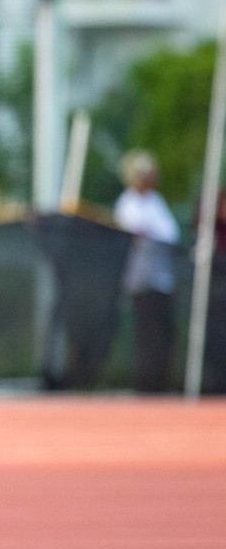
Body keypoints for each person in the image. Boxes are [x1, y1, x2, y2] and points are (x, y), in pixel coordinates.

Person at [115, 149, 178, 393]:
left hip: (162, 279)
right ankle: (146, 386)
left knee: (165, 333)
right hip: (140, 280)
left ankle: (161, 383)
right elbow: (136, 231)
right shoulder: (128, 202)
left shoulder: (156, 201)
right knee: (146, 333)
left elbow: (169, 233)